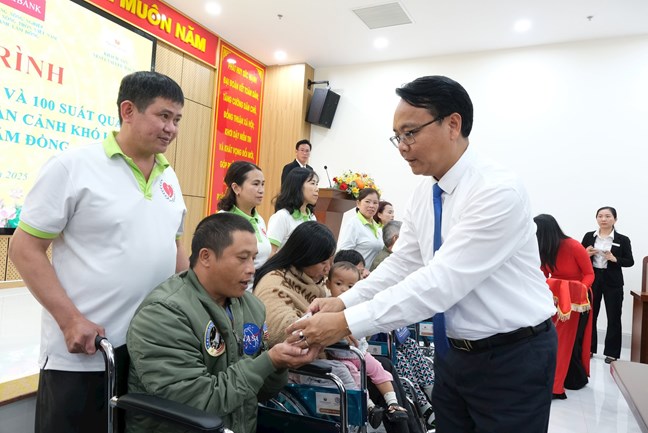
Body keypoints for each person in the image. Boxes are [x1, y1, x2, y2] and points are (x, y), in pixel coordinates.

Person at [288, 75, 557, 433]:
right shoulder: (424, 194)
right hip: (454, 353)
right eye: (397, 136)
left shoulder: (496, 191)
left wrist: (346, 323)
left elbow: (440, 283)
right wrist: (344, 302)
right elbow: (403, 264)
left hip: (512, 356)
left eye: (410, 133)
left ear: (453, 124)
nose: (402, 146)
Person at [7, 71, 189, 433]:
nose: (171, 128)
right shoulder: (73, 166)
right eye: (164, 116)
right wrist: (70, 320)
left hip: (148, 353)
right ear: (128, 110)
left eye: (177, 120)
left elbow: (176, 250)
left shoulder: (169, 176)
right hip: (85, 353)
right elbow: (24, 248)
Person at [126, 213, 319, 433]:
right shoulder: (164, 314)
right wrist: (269, 361)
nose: (252, 268)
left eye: (253, 258)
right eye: (242, 258)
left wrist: (280, 363)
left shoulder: (252, 307)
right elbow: (198, 402)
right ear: (206, 257)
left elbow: (262, 391)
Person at [254, 222, 415, 433]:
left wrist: (341, 323)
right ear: (304, 256)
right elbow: (283, 331)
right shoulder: (274, 282)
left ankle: (406, 421)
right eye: (323, 262)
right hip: (305, 365)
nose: (328, 268)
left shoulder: (315, 279)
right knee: (373, 370)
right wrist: (333, 328)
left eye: (330, 261)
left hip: (333, 353)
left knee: (384, 366)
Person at [326, 261, 409, 427]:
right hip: (341, 356)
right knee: (354, 377)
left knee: (379, 369)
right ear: (328, 284)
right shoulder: (327, 307)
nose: (344, 289)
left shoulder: (358, 306)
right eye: (338, 284)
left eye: (350, 286)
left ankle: (393, 403)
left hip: (361, 352)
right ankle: (369, 407)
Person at [534, 214, 594, 399]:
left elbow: (589, 274)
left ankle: (555, 386)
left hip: (576, 300)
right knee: (552, 340)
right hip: (555, 297)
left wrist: (578, 291)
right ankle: (568, 379)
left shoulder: (574, 246)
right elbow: (543, 274)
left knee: (563, 341)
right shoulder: (545, 248)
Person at [581, 206, 634, 364]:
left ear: (615, 219)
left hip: (613, 281)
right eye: (600, 216)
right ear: (596, 218)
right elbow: (579, 257)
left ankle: (612, 353)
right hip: (593, 278)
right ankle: (589, 348)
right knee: (590, 315)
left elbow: (630, 261)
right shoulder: (589, 236)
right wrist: (585, 254)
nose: (603, 219)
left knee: (614, 317)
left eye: (608, 216)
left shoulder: (622, 239)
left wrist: (614, 258)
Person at [217, 160, 271, 286]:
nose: (261, 190)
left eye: (263, 184)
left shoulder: (259, 220)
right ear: (236, 188)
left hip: (259, 291)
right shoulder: (223, 220)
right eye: (256, 184)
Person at [266, 167, 318, 254]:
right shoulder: (282, 216)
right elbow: (270, 252)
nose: (317, 189)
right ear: (298, 186)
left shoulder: (312, 217)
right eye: (312, 183)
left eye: (317, 184)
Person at [337, 187, 384, 269]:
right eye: (367, 201)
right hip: (355, 273)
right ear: (358, 203)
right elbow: (344, 253)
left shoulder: (377, 227)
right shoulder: (353, 224)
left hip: (370, 274)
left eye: (375, 202)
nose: (371, 206)